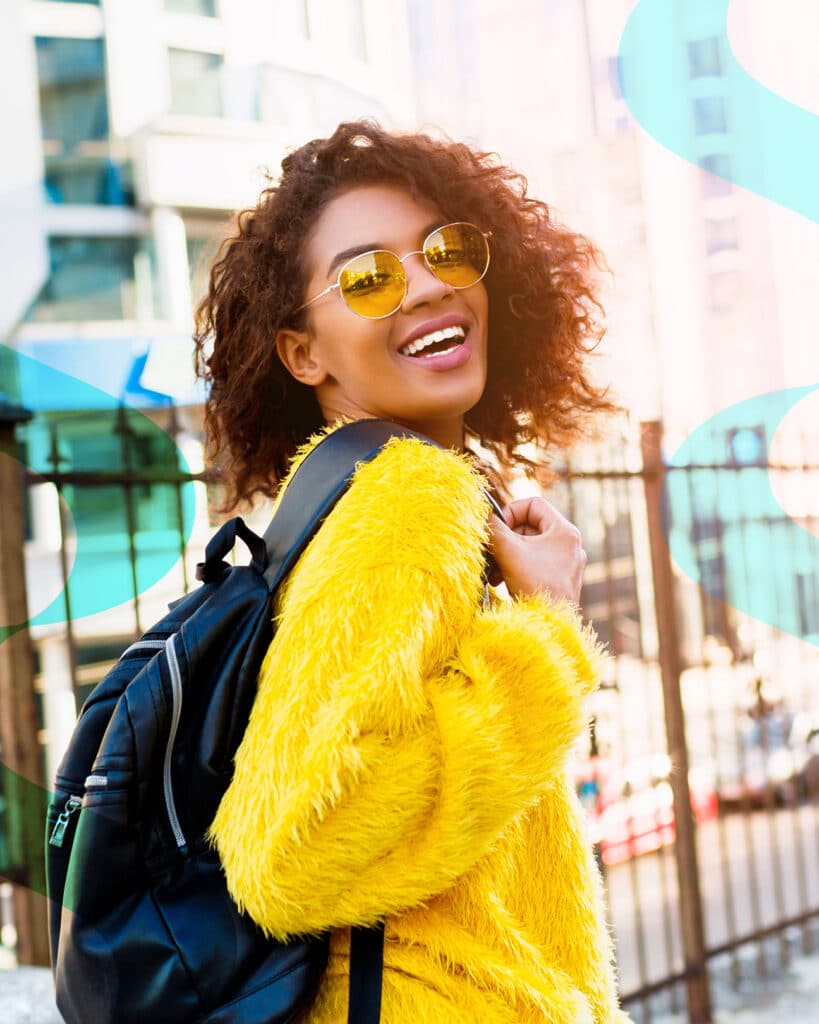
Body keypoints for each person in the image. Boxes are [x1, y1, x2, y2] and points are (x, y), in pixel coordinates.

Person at [194, 119, 631, 1024]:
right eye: (367, 276)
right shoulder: (406, 498)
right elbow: (295, 851)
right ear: (302, 352)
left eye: (445, 251)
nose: (427, 284)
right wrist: (546, 629)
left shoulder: (405, 490)